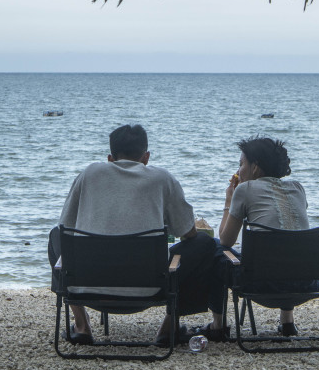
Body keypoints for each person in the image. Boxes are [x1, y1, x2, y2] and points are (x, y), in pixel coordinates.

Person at [52, 123, 217, 347]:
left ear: (110, 158)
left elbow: (65, 228)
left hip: (87, 286)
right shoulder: (162, 178)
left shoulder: (89, 173)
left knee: (55, 236)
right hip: (150, 288)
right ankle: (169, 327)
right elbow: (188, 233)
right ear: (146, 156)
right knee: (204, 244)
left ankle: (81, 325)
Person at [201, 136, 312, 340]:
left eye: (241, 164)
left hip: (261, 284)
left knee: (214, 248)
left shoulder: (245, 189)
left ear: (255, 167)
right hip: (306, 283)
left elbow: (226, 241)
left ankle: (218, 325)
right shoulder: (298, 188)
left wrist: (229, 201)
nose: (238, 171)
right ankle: (287, 323)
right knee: (288, 248)